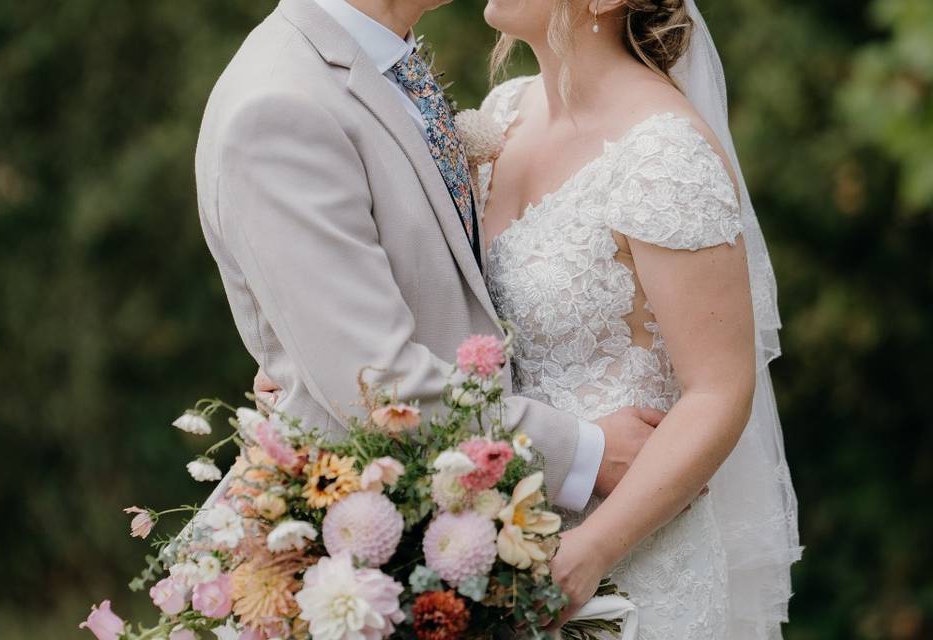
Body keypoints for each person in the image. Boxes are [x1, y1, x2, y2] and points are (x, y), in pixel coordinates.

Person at [194, 0, 662, 525]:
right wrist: (584, 455)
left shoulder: (384, 64)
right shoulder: (280, 105)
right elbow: (377, 386)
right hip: (370, 536)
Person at [476, 0, 801, 636]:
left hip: (624, 567)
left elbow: (719, 391)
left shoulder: (664, 154)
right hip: (493, 537)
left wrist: (591, 550)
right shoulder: (503, 114)